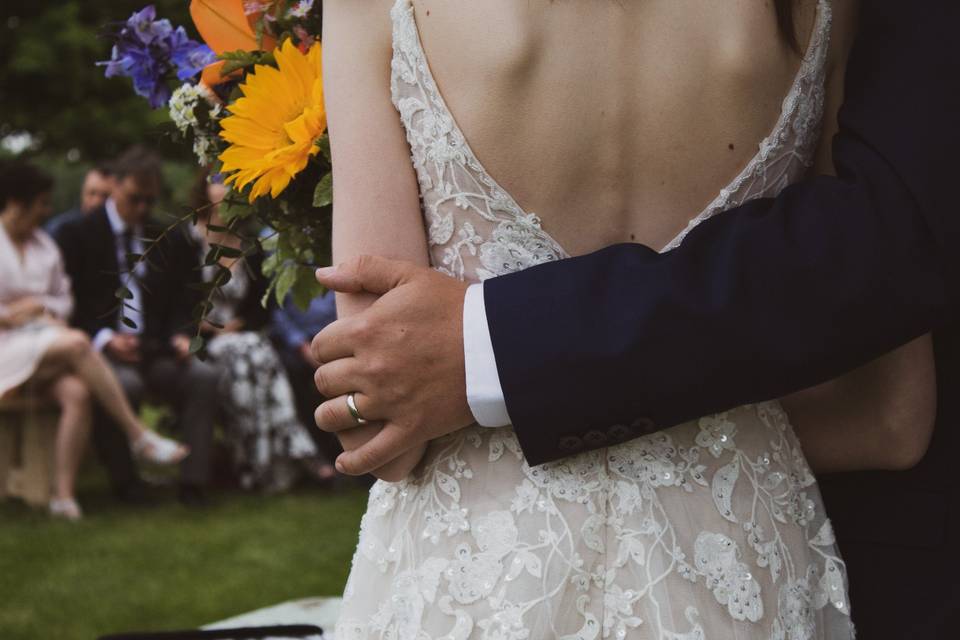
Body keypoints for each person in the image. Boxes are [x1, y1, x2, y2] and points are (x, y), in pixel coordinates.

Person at [312, 1, 958, 638]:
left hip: (478, 584)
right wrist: (705, 430)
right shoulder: (823, 11)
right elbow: (889, 423)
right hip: (737, 567)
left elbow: (379, 434)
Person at [0, 161, 188, 520]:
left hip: (41, 345)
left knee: (77, 392)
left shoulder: (44, 245)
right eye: (41, 202)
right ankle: (138, 434)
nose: (47, 210)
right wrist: (11, 314)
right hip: (7, 345)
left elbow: (63, 299)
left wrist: (37, 305)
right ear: (16, 202)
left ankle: (63, 495)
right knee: (78, 344)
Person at [54, 147, 222, 507]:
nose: (143, 208)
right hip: (102, 354)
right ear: (114, 186)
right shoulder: (76, 235)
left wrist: (181, 333)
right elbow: (67, 305)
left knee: (202, 378)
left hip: (158, 349)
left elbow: (187, 296)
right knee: (123, 385)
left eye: (150, 200)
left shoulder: (168, 238)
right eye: (135, 199)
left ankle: (194, 484)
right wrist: (104, 339)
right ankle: (126, 484)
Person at [189, 173, 333, 491]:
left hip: (242, 335)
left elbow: (258, 306)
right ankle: (288, 453)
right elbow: (178, 301)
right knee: (252, 354)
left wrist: (237, 327)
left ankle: (263, 464)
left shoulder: (248, 246)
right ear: (204, 197)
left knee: (254, 350)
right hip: (204, 338)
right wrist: (212, 329)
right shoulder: (188, 242)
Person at [269, 289, 342, 470]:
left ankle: (352, 456)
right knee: (297, 392)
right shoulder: (283, 266)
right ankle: (319, 458)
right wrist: (302, 347)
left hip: (335, 340)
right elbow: (276, 312)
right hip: (294, 348)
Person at [44, 165, 113, 237]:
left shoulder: (119, 233)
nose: (96, 202)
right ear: (82, 192)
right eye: (91, 193)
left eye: (105, 196)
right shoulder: (60, 230)